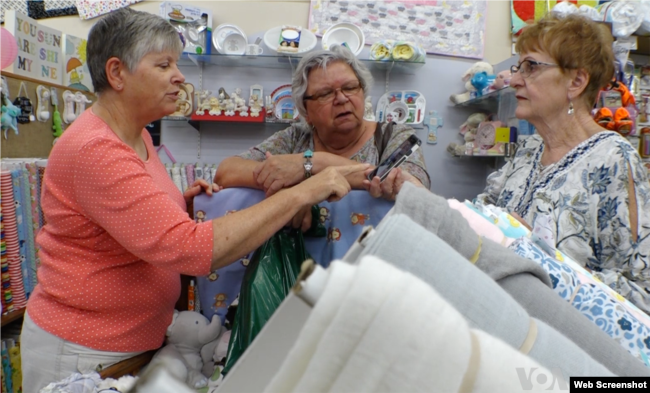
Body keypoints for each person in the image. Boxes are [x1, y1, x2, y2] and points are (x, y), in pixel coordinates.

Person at [20, 8, 364, 391]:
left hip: (132, 344)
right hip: (86, 353)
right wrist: (304, 190)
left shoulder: (137, 136)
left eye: (178, 64)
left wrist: (180, 208)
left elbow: (128, 226)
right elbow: (190, 250)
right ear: (117, 73)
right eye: (164, 64)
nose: (179, 76)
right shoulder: (96, 149)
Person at [473, 14, 650, 312]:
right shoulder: (529, 149)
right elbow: (485, 213)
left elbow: (642, 292)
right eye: (519, 67)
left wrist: (546, 262)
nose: (515, 78)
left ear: (577, 82)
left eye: (531, 67)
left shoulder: (614, 160)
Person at [215, 45, 430, 229]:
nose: (342, 99)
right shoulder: (295, 138)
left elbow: (416, 191)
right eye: (326, 93)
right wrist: (294, 193)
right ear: (306, 112)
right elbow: (226, 172)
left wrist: (311, 164)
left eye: (350, 87)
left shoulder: (392, 134)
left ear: (363, 92)